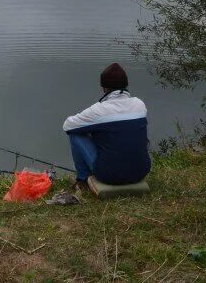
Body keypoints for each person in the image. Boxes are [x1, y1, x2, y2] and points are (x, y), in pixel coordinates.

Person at [63, 62, 150, 191]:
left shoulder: (99, 110)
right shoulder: (139, 105)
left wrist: (91, 127)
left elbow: (68, 126)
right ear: (125, 84)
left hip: (109, 176)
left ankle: (82, 180)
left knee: (76, 134)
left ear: (104, 87)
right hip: (141, 172)